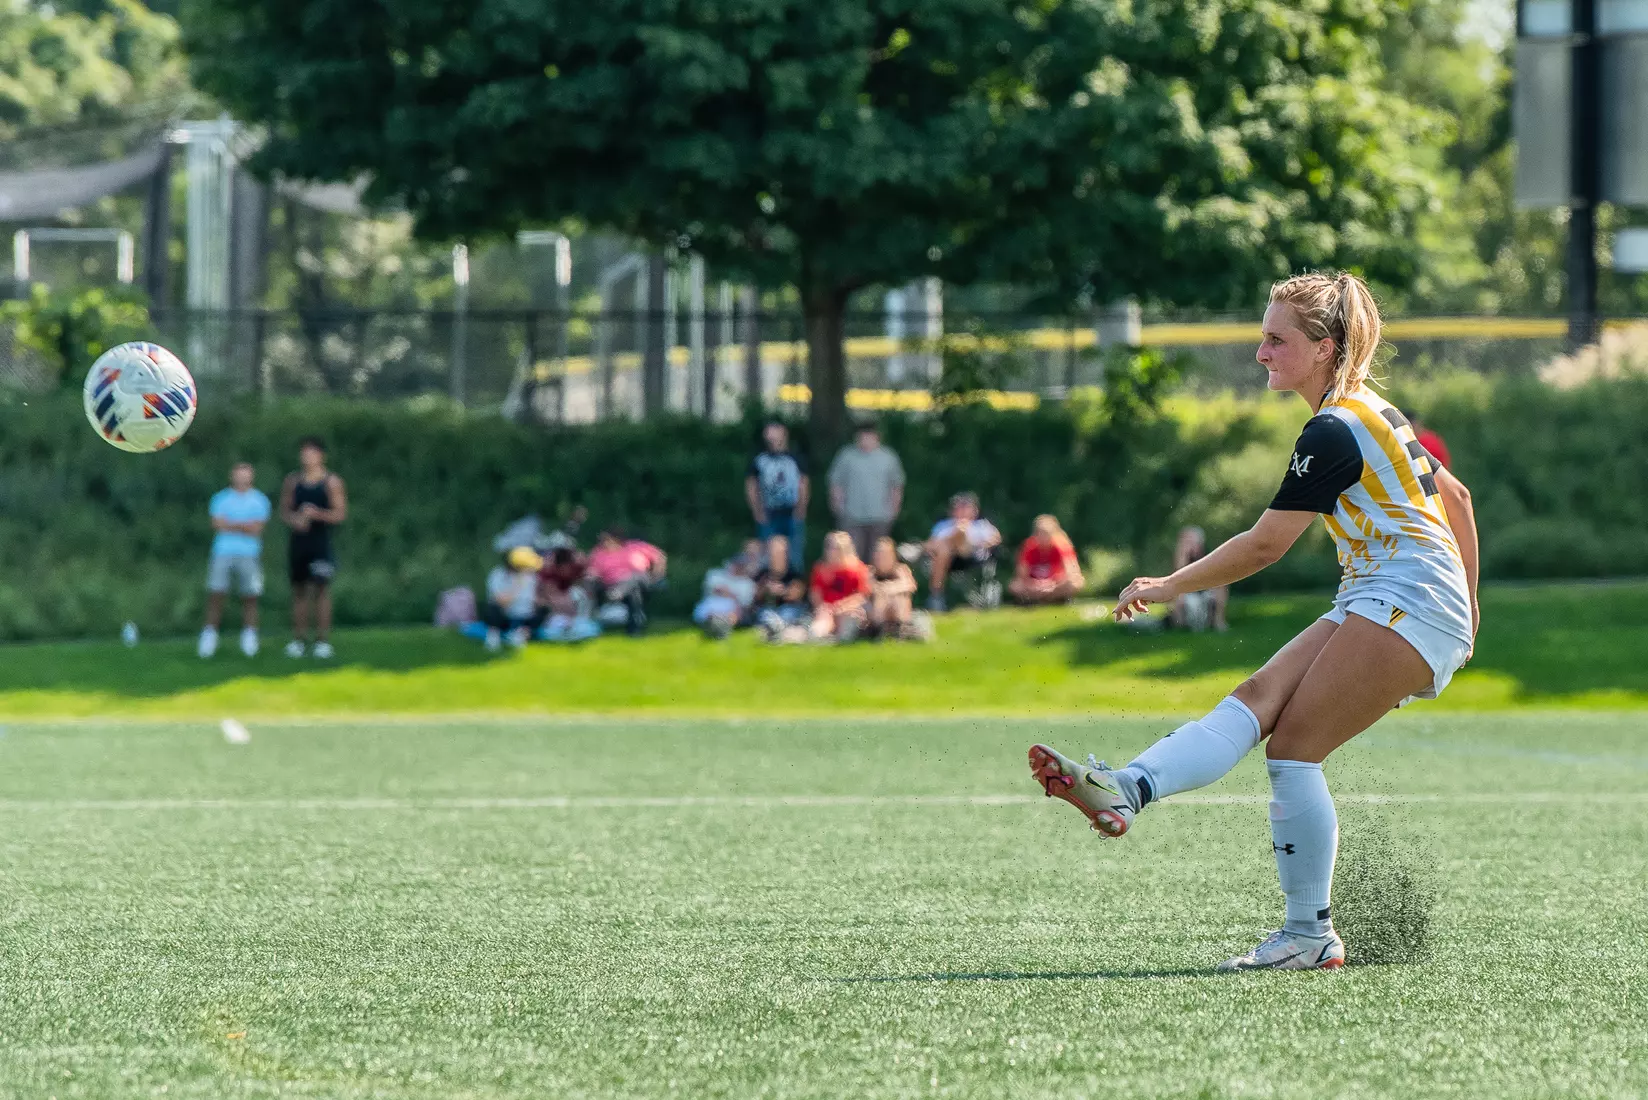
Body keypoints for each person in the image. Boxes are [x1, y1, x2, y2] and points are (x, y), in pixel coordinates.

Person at [1028, 272, 1479, 972]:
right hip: (1397, 597)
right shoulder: (1371, 411)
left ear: (1324, 348)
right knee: (1257, 700)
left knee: (1293, 750)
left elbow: (1265, 546)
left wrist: (1169, 584)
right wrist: (1468, 610)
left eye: (1276, 340)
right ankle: (1127, 788)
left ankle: (1309, 934)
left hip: (1408, 599)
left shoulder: (1333, 428)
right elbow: (1459, 498)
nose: (1261, 354)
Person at [280, 437, 348, 659]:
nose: (306, 458)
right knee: (299, 591)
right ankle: (298, 640)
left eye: (311, 453)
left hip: (320, 543)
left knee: (321, 590)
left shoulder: (331, 482)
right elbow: (285, 512)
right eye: (303, 453)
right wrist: (295, 520)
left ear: (321, 456)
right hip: (298, 543)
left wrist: (316, 514)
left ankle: (322, 641)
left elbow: (340, 514)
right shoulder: (293, 481)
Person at [198, 462, 272, 659]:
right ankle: (209, 637)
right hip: (222, 552)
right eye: (238, 475)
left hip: (249, 553)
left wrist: (232, 524)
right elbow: (217, 524)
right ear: (232, 476)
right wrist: (243, 526)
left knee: (250, 596)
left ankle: (249, 637)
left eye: (245, 475)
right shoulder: (221, 499)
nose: (242, 479)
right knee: (216, 593)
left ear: (251, 477)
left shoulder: (259, 500)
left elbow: (257, 528)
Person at [827, 422, 905, 562]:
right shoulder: (846, 456)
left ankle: (876, 584)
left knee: (878, 558)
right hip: (852, 517)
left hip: (880, 517)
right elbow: (836, 483)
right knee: (851, 557)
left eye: (868, 435)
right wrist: (838, 508)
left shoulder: (888, 457)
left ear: (876, 437)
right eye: (861, 435)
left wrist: (894, 510)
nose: (864, 439)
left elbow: (896, 486)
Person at [746, 422, 809, 571]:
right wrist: (757, 510)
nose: (772, 438)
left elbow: (804, 484)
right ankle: (768, 588)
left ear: (784, 434)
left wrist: (801, 508)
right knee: (767, 554)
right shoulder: (759, 460)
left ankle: (794, 586)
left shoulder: (795, 458)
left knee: (795, 554)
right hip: (768, 512)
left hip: (791, 511)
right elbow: (751, 486)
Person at [924, 491, 1001, 612]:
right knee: (944, 549)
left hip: (971, 555)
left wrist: (977, 542)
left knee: (961, 531)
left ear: (974, 510)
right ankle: (937, 594)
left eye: (965, 507)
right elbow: (930, 545)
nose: (961, 510)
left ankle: (935, 596)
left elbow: (996, 539)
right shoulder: (943, 525)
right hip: (948, 559)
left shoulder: (981, 526)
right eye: (958, 507)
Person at [585, 528, 667, 635]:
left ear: (616, 539)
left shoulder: (635, 546)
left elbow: (659, 557)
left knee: (635, 577)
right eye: (601, 539)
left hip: (640, 580)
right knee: (634, 592)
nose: (602, 541)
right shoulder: (598, 553)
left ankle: (618, 593)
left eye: (606, 538)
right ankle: (634, 629)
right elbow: (592, 571)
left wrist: (658, 576)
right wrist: (591, 576)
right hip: (611, 585)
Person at [808, 530, 871, 643]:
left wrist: (842, 607)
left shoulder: (858, 568)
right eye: (830, 548)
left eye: (837, 548)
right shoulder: (821, 568)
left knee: (849, 622)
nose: (833, 552)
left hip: (849, 611)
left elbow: (862, 596)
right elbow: (815, 593)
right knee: (817, 631)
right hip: (827, 611)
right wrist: (823, 607)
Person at [693, 540, 762, 639]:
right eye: (736, 564)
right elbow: (713, 589)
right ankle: (715, 626)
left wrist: (728, 593)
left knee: (735, 611)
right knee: (710, 611)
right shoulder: (715, 574)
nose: (737, 567)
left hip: (733, 609)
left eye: (740, 565)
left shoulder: (747, 583)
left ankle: (719, 627)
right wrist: (731, 594)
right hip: (711, 604)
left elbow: (744, 604)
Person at [1009, 514, 1084, 606]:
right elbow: (1021, 575)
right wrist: (1036, 584)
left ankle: (1052, 598)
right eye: (1040, 533)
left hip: (1055, 585)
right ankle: (1044, 599)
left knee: (1074, 582)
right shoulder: (1030, 547)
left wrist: (1052, 584)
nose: (1043, 537)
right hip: (1035, 586)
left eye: (1046, 534)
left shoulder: (1062, 546)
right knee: (1015, 586)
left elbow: (1072, 572)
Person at [482, 547, 548, 651]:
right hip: (505, 616)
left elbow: (535, 598)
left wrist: (539, 601)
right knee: (492, 608)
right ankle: (493, 637)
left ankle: (520, 635)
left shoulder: (531, 577)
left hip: (525, 616)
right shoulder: (498, 575)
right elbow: (501, 601)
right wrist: (517, 585)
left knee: (544, 609)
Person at [1165, 525, 1229, 631]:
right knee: (1177, 591)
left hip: (1204, 590)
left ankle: (1219, 621)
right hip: (1186, 592)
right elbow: (1177, 576)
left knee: (1222, 585)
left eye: (1190, 541)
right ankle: (1179, 624)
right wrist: (1183, 555)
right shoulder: (1182, 557)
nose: (1188, 544)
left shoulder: (1207, 555)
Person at [868, 536, 925, 640]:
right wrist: (889, 589)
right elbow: (870, 588)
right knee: (881, 599)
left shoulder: (900, 569)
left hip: (898, 609)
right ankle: (880, 630)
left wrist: (888, 588)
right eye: (879, 554)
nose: (882, 558)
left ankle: (900, 629)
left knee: (899, 599)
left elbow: (909, 585)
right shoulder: (871, 572)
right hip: (877, 611)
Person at [537, 546, 597, 641]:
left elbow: (587, 590)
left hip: (574, 610)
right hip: (555, 611)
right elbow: (550, 596)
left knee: (577, 593)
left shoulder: (578, 568)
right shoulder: (548, 573)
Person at [752, 534, 809, 636]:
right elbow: (755, 596)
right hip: (767, 608)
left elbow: (796, 595)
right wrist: (766, 589)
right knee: (765, 614)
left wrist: (782, 591)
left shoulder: (794, 572)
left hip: (789, 608)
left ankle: (776, 628)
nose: (774, 555)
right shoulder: (763, 573)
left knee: (787, 613)